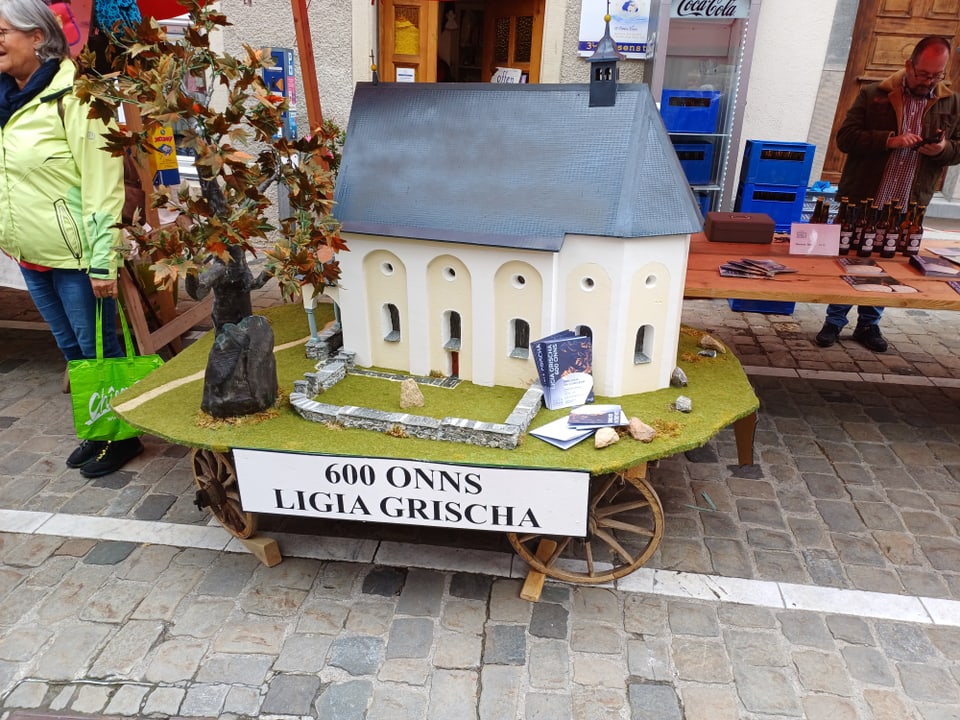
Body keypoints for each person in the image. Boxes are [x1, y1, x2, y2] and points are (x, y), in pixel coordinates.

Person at [0, 0, 143, 477]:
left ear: (37, 37)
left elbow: (104, 187)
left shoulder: (80, 97)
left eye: (2, 32)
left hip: (80, 256)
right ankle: (96, 428)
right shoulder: (7, 100)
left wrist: (104, 260)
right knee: (75, 353)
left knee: (100, 346)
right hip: (31, 254)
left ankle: (121, 436)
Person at [816, 36, 960, 353]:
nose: (929, 81)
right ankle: (834, 320)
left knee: (888, 263)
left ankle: (869, 324)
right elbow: (845, 138)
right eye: (924, 74)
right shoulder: (874, 94)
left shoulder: (952, 102)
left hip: (908, 201)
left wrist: (942, 149)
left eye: (937, 75)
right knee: (849, 259)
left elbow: (957, 149)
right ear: (909, 65)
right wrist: (888, 140)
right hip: (865, 196)